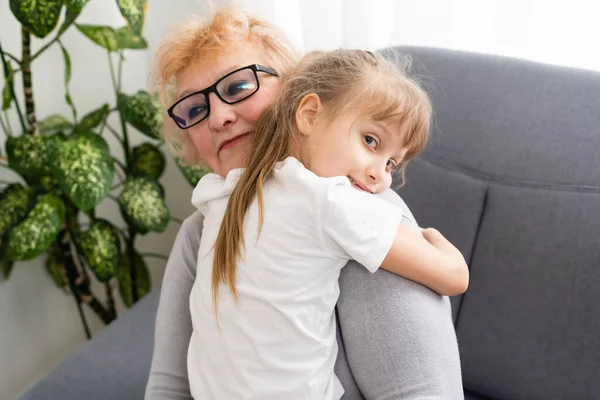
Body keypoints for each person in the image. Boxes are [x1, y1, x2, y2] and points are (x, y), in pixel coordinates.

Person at [146, 7, 465, 400]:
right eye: (194, 109)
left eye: (237, 87)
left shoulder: (351, 197)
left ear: (297, 96)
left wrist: (430, 239)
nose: (218, 118)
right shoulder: (206, 218)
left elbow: (422, 391)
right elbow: (168, 386)